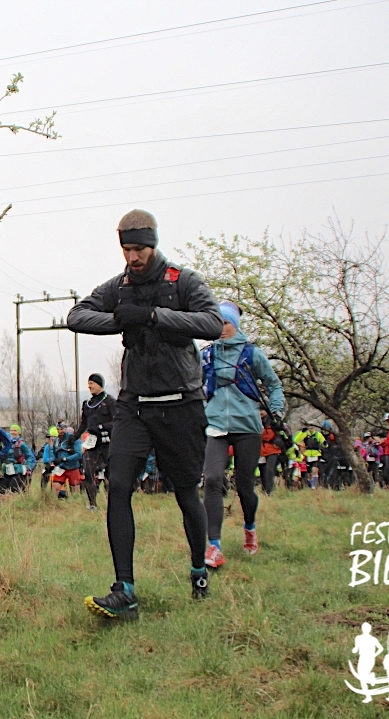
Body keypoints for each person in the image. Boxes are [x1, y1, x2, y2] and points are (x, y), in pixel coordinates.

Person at [69, 208, 223, 616]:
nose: (132, 257)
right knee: (118, 486)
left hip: (181, 404)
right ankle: (125, 590)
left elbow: (212, 323)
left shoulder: (182, 281)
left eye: (139, 249)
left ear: (153, 244)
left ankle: (198, 570)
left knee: (186, 493)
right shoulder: (118, 286)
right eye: (126, 250)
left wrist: (154, 318)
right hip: (134, 406)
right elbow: (76, 316)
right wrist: (120, 321)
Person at [201, 301, 284, 568]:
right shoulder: (207, 355)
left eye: (225, 323)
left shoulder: (252, 354)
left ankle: (249, 527)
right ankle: (214, 545)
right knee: (213, 480)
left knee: (245, 485)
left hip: (247, 427)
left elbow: (273, 385)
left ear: (235, 325)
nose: (221, 328)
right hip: (215, 425)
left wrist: (276, 410)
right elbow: (192, 383)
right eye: (217, 323)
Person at [74, 373, 116, 511]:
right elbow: (84, 424)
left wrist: (101, 427)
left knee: (111, 474)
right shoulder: (87, 404)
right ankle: (92, 503)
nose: (89, 386)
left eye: (92, 383)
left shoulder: (110, 401)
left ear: (99, 384)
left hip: (108, 442)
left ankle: (114, 503)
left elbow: (117, 421)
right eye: (88, 383)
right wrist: (73, 438)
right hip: (92, 443)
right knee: (88, 472)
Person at [49, 423, 84, 499]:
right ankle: (53, 504)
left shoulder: (73, 439)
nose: (60, 431)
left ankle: (75, 505)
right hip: (60, 468)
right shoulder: (56, 440)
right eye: (58, 429)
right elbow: (54, 453)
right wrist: (53, 462)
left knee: (75, 492)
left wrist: (65, 459)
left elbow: (79, 454)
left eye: (61, 429)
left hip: (73, 467)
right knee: (55, 488)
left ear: (65, 429)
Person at [1, 425, 36, 492]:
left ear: (18, 432)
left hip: (18, 470)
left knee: (13, 489)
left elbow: (29, 457)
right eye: (11, 430)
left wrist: (29, 467)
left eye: (15, 431)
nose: (13, 432)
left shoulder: (22, 444)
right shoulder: (7, 444)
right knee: (2, 489)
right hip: (7, 470)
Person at [259, 409, 284, 495]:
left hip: (273, 448)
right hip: (261, 450)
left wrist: (278, 442)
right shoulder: (256, 421)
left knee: (269, 469)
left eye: (261, 410)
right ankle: (264, 489)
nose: (260, 412)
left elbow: (281, 432)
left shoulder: (274, 420)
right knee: (262, 470)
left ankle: (270, 491)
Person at [293, 425, 326, 489]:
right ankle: (309, 484)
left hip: (316, 454)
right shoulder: (305, 434)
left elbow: (324, 443)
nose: (311, 429)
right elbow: (296, 440)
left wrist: (324, 444)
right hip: (307, 455)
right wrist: (302, 432)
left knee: (315, 470)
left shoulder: (318, 434)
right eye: (310, 428)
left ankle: (314, 485)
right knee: (309, 472)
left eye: (312, 428)